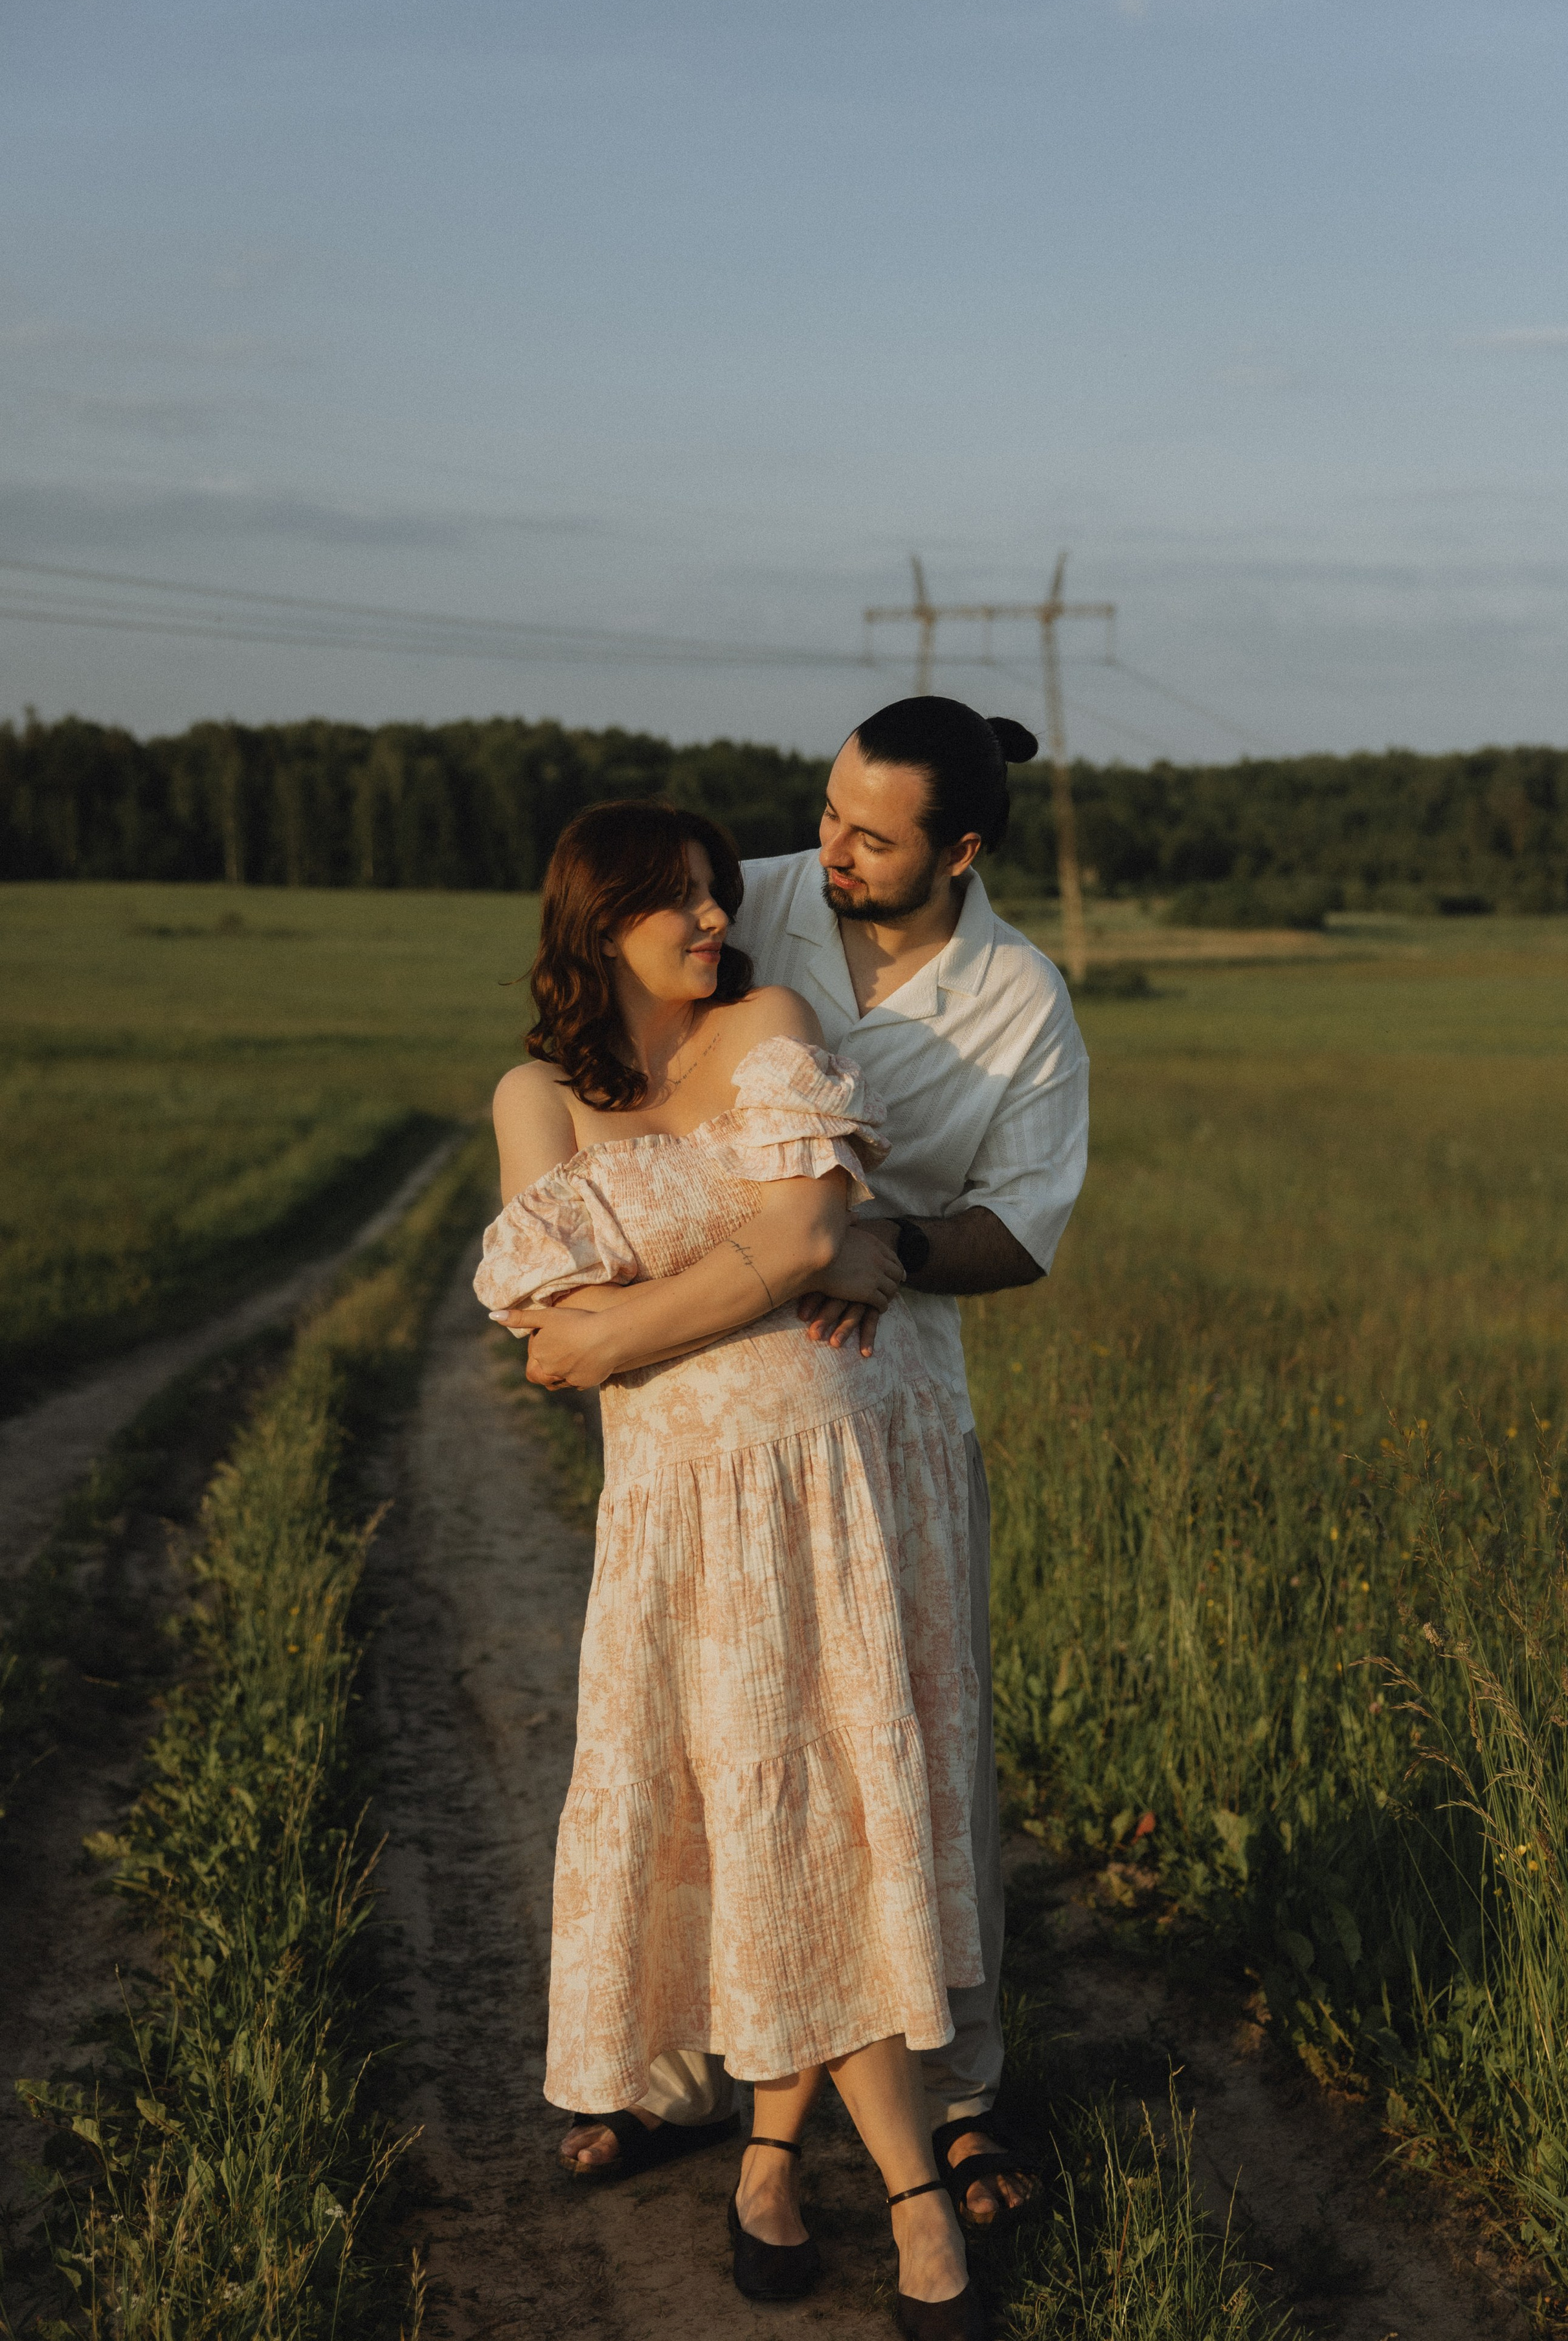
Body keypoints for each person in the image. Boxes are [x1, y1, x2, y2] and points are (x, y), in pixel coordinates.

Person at [542, 699, 1092, 2230]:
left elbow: (1023, 1225)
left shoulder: (1020, 1002)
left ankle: (956, 2090)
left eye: (870, 832)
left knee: (895, 1738)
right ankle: (668, 2068)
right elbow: (603, 1063)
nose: (827, 847)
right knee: (685, 1728)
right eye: (829, 809)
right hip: (693, 1380)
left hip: (884, 1397)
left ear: (960, 851)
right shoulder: (750, 901)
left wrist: (882, 1248)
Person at [480, 799, 991, 2336]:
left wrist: (663, 1302)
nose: (718, 923)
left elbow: (741, 1265)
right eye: (680, 904)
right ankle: (846, 2175)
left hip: (830, 1475)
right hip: (680, 1504)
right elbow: (544, 1336)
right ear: (597, 924)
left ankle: (809, 2172)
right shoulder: (536, 1097)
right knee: (755, 1811)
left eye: (715, 895)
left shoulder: (769, 1020)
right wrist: (769, 1259)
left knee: (826, 1802)